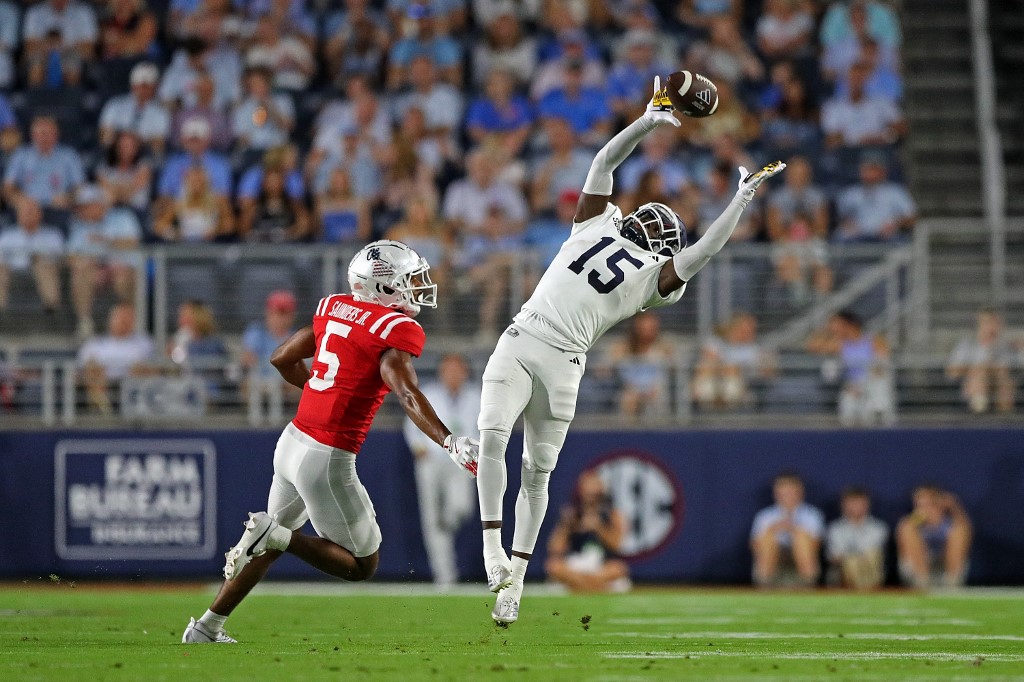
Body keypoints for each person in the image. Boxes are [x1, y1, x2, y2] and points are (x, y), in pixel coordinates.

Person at [476, 77, 785, 625]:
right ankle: (498, 558)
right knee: (507, 450)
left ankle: (511, 575)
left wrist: (731, 192)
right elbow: (614, 174)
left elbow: (693, 240)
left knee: (520, 460)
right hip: (540, 347)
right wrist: (654, 127)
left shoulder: (628, 255)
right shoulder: (621, 246)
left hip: (548, 350)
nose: (650, 219)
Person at [182, 240, 480, 644]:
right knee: (361, 564)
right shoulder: (394, 330)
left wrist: (318, 390)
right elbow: (408, 394)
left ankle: (206, 627)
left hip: (292, 441)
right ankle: (276, 536)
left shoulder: (335, 308)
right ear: (383, 287)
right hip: (326, 455)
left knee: (265, 543)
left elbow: (280, 357)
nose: (417, 287)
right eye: (408, 280)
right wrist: (449, 442)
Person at [402, 353, 480, 588]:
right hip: (432, 458)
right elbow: (413, 421)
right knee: (431, 520)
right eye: (449, 369)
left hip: (463, 460)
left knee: (461, 508)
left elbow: (486, 428)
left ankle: (448, 519)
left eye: (458, 369)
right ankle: (444, 576)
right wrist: (418, 447)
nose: (454, 375)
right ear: (441, 372)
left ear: (465, 372)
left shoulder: (477, 397)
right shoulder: (430, 394)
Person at [545, 470, 630, 593]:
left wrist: (598, 528)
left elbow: (617, 545)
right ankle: (593, 586)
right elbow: (555, 548)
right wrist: (566, 526)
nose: (590, 495)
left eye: (594, 492)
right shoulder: (572, 515)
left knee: (618, 569)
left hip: (601, 566)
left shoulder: (612, 515)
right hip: (575, 564)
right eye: (587, 491)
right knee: (553, 566)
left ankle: (580, 585)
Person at [807, 310, 895, 426]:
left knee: (878, 388)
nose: (833, 328)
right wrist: (827, 331)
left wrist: (862, 386)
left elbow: (882, 366)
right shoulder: (840, 344)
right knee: (848, 401)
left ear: (848, 325)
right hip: (852, 388)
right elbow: (811, 346)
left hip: (871, 386)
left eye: (836, 324)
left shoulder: (873, 341)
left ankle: (878, 415)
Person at [77, 303, 154, 413]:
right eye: (120, 317)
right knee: (92, 369)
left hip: (130, 383)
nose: (124, 321)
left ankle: (131, 408)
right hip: (102, 383)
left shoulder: (144, 343)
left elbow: (150, 366)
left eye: (127, 317)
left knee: (142, 369)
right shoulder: (94, 344)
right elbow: (81, 368)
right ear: (111, 319)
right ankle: (103, 409)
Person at [750, 472, 824, 588]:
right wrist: (774, 529)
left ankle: (807, 584)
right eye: (783, 492)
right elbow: (755, 545)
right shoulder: (765, 515)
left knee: (802, 538)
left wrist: (794, 529)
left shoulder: (812, 514)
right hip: (773, 555)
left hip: (801, 556)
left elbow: (816, 545)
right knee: (767, 538)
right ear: (776, 493)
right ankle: (765, 584)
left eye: (791, 492)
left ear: (800, 492)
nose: (787, 496)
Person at [603, 311, 677, 419]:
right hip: (630, 391)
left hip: (655, 392)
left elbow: (676, 368)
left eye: (650, 324)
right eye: (643, 324)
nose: (646, 329)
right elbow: (603, 370)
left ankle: (658, 430)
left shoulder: (664, 346)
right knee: (628, 399)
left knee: (657, 397)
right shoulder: (621, 347)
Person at [896, 485, 972, 588]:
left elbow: (967, 531)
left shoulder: (952, 524)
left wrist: (954, 507)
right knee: (906, 529)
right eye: (921, 505)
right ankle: (923, 583)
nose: (926, 508)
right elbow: (903, 534)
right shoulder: (911, 525)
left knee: (960, 531)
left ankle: (952, 583)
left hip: (945, 567)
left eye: (930, 504)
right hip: (919, 571)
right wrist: (917, 519)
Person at [0, 197, 64, 316]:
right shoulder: (7, 235)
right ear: (18, 215)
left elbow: (59, 258)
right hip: (13, 269)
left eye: (31, 212)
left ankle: (51, 311)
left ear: (40, 214)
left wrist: (39, 258)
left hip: (42, 269)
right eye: (24, 212)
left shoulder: (52, 235)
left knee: (44, 266)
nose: (28, 215)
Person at [945, 308, 1016, 414]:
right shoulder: (967, 345)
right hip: (971, 388)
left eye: (996, 322)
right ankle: (979, 415)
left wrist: (987, 369)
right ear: (980, 324)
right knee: (979, 377)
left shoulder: (1007, 346)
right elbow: (952, 371)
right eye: (988, 322)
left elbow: (1008, 369)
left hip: (999, 386)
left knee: (1004, 384)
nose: (992, 327)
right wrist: (976, 369)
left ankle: (1006, 420)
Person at [825, 487, 889, 589]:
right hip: (843, 571)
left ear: (867, 504)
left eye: (859, 503)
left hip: (870, 570)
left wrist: (858, 560)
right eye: (852, 503)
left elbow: (874, 555)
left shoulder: (879, 528)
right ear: (844, 505)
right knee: (850, 564)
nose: (856, 507)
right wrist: (852, 561)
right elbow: (835, 557)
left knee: (871, 559)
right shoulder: (835, 528)